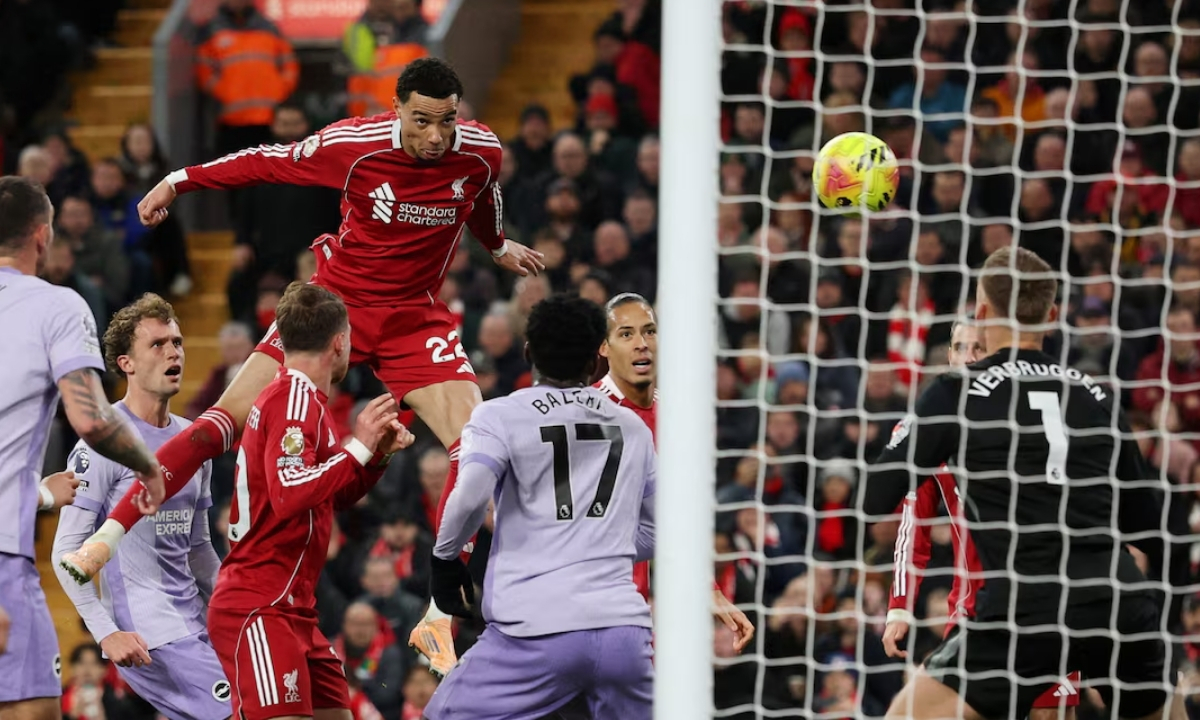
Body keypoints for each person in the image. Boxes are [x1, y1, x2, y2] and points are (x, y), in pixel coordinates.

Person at [61, 56, 544, 678]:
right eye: (421, 121)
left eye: (446, 121)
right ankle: (107, 538)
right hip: (331, 307)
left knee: (477, 447)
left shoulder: (479, 151)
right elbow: (267, 159)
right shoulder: (355, 146)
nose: (434, 137)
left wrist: (497, 245)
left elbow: (482, 196)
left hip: (413, 317)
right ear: (396, 109)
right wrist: (181, 179)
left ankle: (437, 615)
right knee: (220, 423)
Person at [864, 246, 1169, 720]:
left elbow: (878, 495)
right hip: (1118, 603)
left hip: (1025, 605)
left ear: (981, 313)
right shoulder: (1097, 395)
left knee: (907, 714)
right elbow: (1150, 528)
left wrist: (912, 438)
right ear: (1051, 315)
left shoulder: (957, 392)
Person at [423, 294, 657, 719]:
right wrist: (600, 542)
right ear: (596, 360)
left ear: (528, 352)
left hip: (533, 633)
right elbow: (659, 530)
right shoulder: (634, 427)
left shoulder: (499, 416)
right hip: (624, 635)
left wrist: (445, 559)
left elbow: (472, 493)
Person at [204, 282, 415, 720]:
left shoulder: (299, 400)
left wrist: (376, 455)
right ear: (339, 343)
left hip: (295, 608)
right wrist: (357, 446)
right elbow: (289, 493)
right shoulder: (295, 400)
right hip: (260, 604)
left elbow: (327, 497)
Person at [0, 176, 163, 720]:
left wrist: (41, 498)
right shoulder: (56, 307)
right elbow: (92, 421)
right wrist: (148, 465)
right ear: (43, 236)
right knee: (33, 709)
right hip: (2, 557)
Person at [882, 319, 1083, 718]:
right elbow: (912, 529)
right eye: (961, 347)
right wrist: (900, 608)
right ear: (950, 356)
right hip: (973, 608)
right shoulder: (926, 431)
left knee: (1049, 714)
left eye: (979, 348)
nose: (970, 356)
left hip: (1046, 602)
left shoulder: (1037, 418)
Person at [52, 294, 230, 720]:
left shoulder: (192, 440)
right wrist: (106, 633)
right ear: (125, 363)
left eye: (178, 342)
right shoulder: (102, 443)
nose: (174, 352)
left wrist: (233, 606)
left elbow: (199, 548)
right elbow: (65, 553)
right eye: (158, 344)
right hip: (148, 637)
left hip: (197, 623)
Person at [595, 292, 753, 644]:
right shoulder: (583, 413)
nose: (641, 344)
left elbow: (680, 517)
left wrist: (709, 590)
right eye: (626, 334)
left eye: (649, 332)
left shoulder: (680, 419)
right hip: (578, 608)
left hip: (638, 618)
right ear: (603, 347)